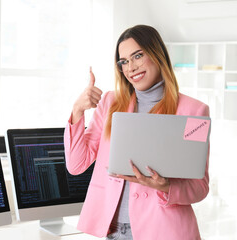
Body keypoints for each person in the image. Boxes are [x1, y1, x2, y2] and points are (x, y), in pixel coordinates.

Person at [64, 25, 210, 240]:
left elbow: (200, 187)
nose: (130, 67)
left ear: (157, 54)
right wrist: (77, 111)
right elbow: (76, 165)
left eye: (138, 56)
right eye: (124, 61)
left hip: (165, 232)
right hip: (113, 231)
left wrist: (166, 186)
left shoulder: (194, 112)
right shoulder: (110, 103)